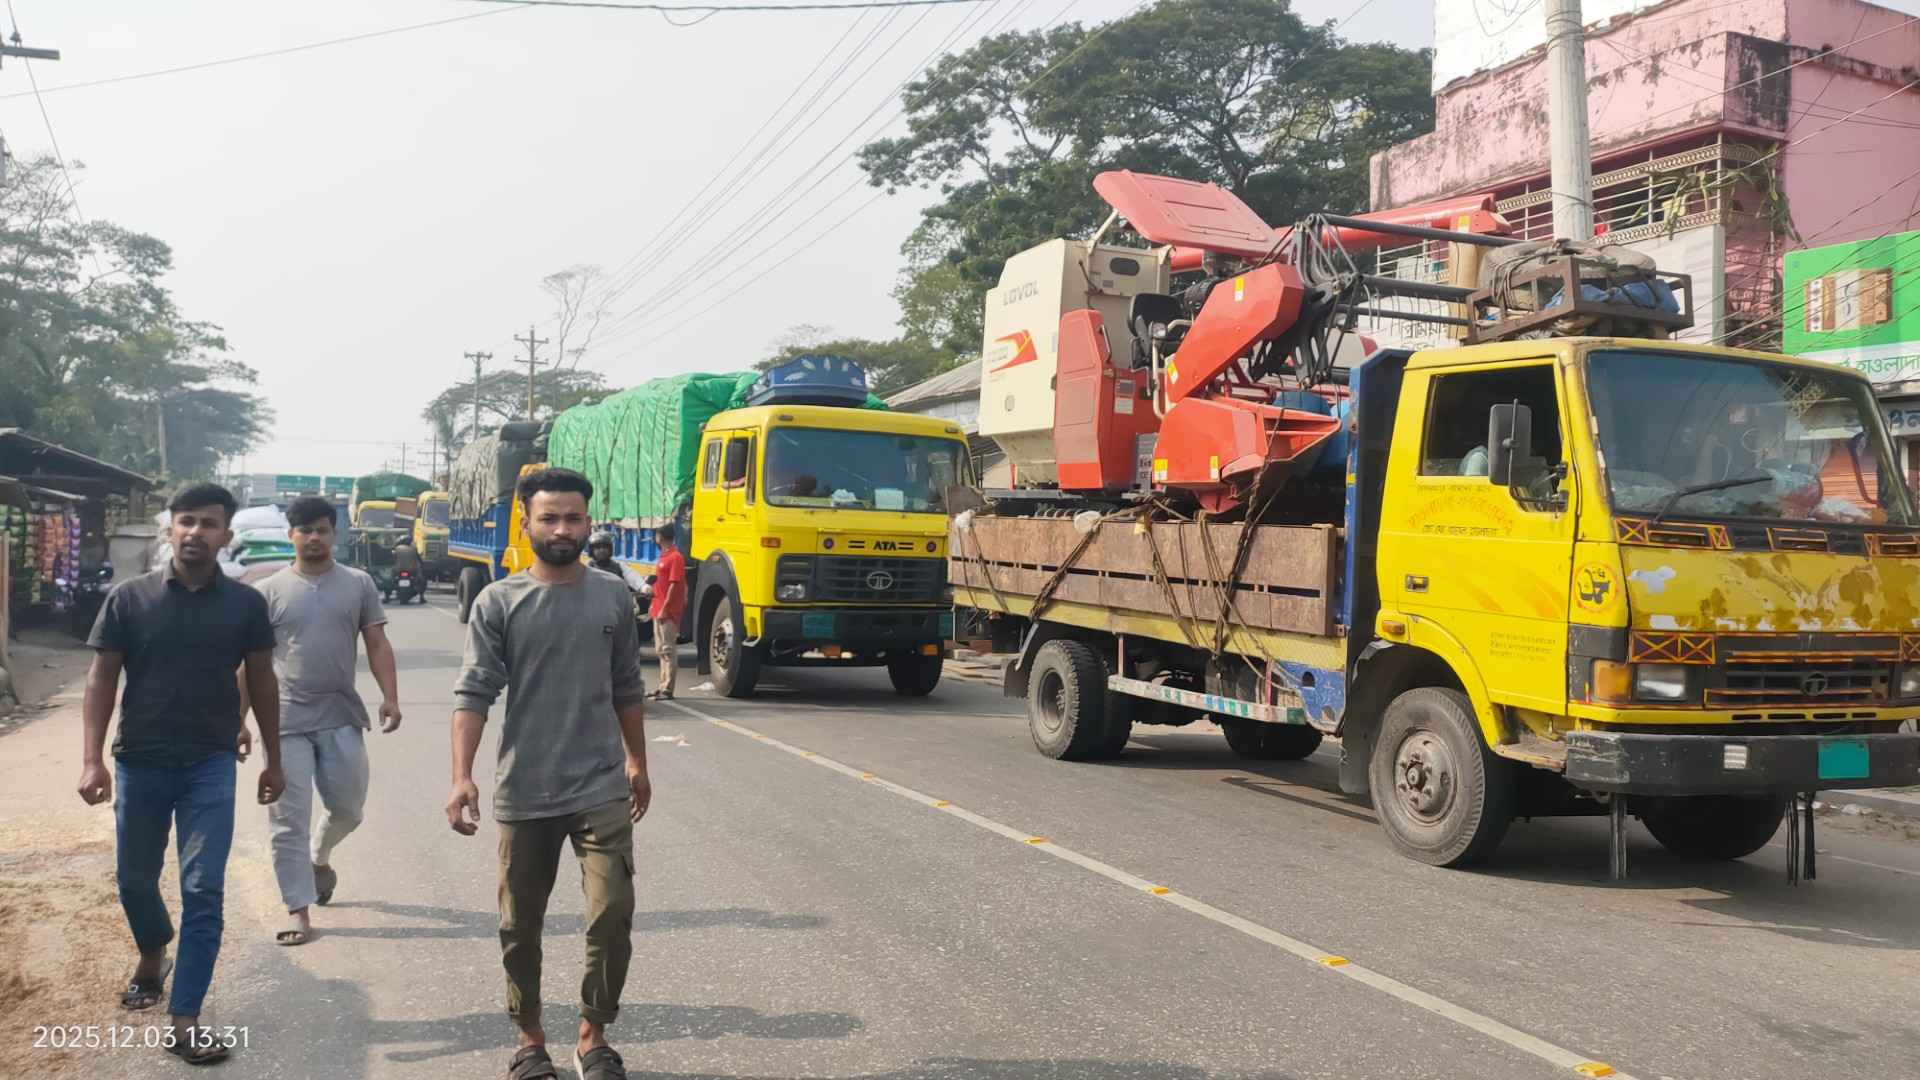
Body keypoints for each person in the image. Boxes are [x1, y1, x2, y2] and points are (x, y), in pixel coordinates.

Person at [447, 467, 651, 1080]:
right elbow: (474, 692)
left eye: (573, 518)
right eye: (550, 518)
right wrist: (461, 776)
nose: (563, 529)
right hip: (525, 788)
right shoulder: (498, 601)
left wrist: (637, 760)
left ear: (589, 523)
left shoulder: (612, 596)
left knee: (612, 913)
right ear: (526, 522)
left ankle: (593, 1037)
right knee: (519, 925)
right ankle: (530, 1039)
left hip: (601, 784)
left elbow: (627, 685)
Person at [77, 482, 285, 1066]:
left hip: (209, 764)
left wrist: (274, 758)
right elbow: (101, 680)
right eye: (186, 521)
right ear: (170, 529)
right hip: (140, 760)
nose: (196, 532)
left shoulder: (246, 605)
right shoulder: (129, 599)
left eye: (208, 523)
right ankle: (153, 953)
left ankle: (186, 1019)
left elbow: (262, 680)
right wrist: (92, 759)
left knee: (202, 888)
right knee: (134, 880)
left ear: (226, 535)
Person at [247, 496, 402, 946]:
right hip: (285, 721)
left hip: (340, 714)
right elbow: (251, 665)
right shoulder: (268, 592)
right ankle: (298, 908)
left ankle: (319, 857)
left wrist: (390, 697)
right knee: (287, 821)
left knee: (349, 809)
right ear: (291, 535)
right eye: (305, 530)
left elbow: (376, 643)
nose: (314, 538)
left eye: (322, 530)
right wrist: (238, 720)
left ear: (334, 534)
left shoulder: (358, 584)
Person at [648, 521, 687, 701]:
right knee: (660, 650)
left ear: (660, 537)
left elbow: (674, 585)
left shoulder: (675, 557)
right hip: (658, 607)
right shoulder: (663, 556)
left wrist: (665, 607)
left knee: (668, 650)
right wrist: (654, 605)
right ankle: (662, 685)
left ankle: (668, 689)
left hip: (668, 611)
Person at [392, 537, 423, 602]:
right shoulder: (414, 548)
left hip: (398, 570)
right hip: (411, 570)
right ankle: (422, 597)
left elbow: (393, 559)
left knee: (392, 578)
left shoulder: (397, 548)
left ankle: (387, 595)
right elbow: (419, 559)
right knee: (421, 580)